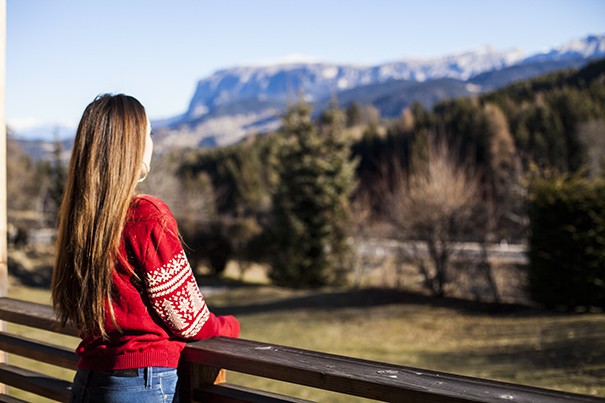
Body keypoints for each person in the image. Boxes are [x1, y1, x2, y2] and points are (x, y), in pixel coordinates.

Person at [51, 94, 240, 403]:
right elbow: (187, 318)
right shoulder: (147, 215)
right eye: (148, 133)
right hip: (141, 383)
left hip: (88, 381)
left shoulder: (83, 220)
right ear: (131, 145)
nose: (152, 143)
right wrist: (228, 325)